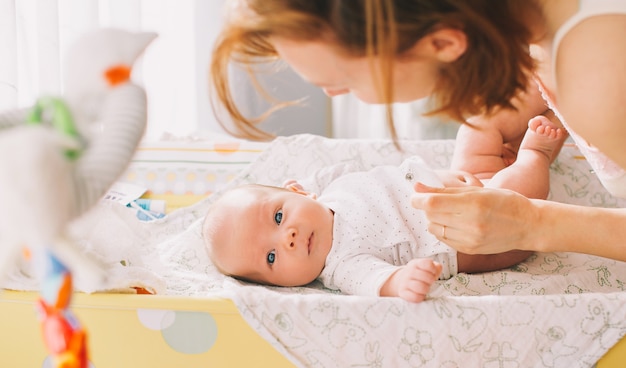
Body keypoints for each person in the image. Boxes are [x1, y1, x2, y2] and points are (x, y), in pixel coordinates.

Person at [209, 1, 626, 262]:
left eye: (343, 81)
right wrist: (535, 96)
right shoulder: (550, 31)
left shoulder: (601, 81)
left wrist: (535, 223)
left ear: (443, 44)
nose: (335, 95)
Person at [203, 121, 564, 303]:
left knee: (477, 127)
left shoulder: (329, 187)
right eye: (271, 256)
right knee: (523, 191)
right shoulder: (341, 265)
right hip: (488, 233)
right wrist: (404, 281)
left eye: (278, 218)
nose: (289, 238)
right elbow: (379, 282)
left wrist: (447, 178)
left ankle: (545, 104)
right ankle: (537, 153)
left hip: (460, 180)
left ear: (297, 190)